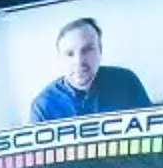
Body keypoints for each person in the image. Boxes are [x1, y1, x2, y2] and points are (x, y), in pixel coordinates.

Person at [25, 19, 155, 121]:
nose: (79, 61)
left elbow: (152, 133)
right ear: (60, 59)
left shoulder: (127, 81)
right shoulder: (43, 106)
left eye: (87, 50)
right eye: (69, 54)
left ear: (100, 51)